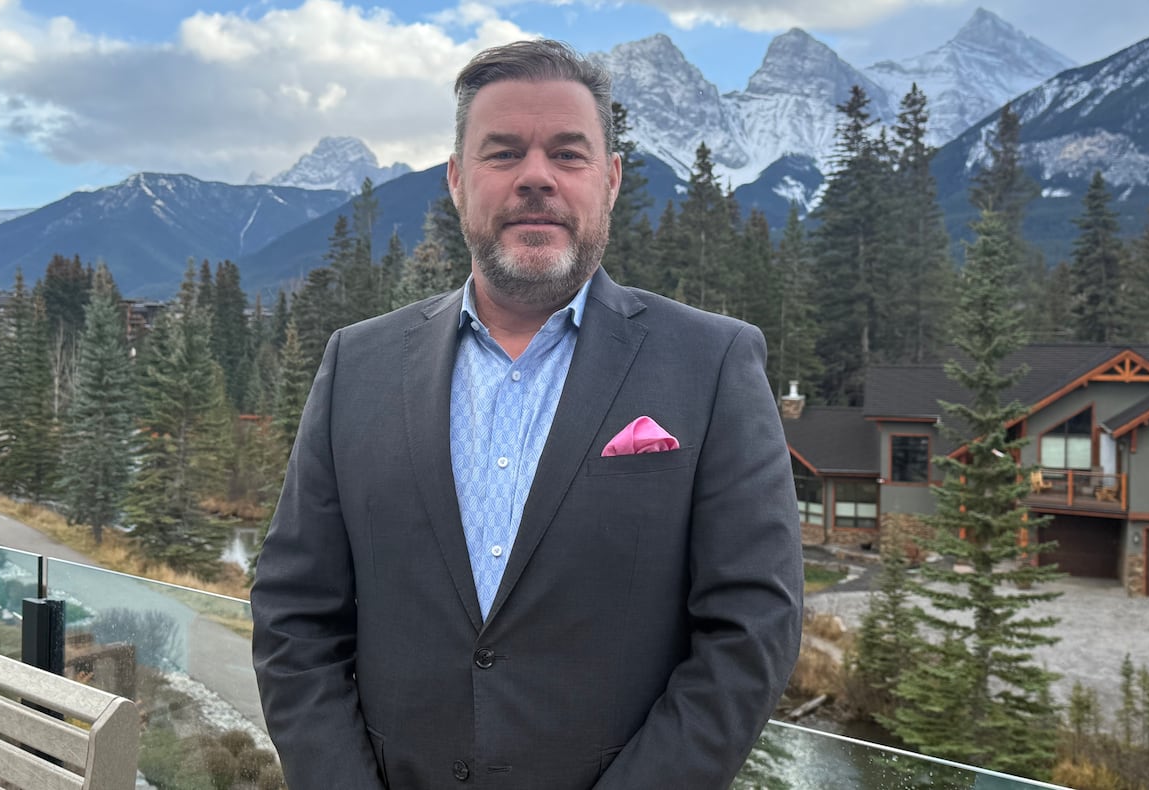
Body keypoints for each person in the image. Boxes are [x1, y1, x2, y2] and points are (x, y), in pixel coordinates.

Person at [251, 39, 803, 790]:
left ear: (609, 181)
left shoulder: (711, 365)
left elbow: (752, 633)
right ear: (455, 180)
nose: (535, 177)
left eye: (568, 156)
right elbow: (294, 614)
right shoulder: (358, 365)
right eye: (502, 153)